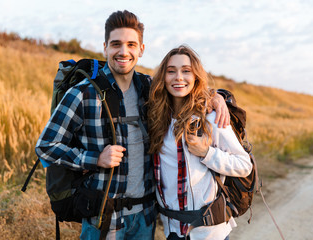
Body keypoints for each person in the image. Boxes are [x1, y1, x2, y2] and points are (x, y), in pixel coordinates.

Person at [35, 11, 229, 240]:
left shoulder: (150, 88)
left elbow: (186, 89)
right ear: (105, 47)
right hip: (103, 219)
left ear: (141, 49)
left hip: (145, 218)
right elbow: (45, 146)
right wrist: (95, 158)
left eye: (131, 44)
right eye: (116, 44)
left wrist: (217, 97)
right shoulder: (82, 93)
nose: (123, 52)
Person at [148, 45, 253, 240]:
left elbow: (244, 165)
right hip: (173, 231)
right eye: (171, 71)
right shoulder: (157, 118)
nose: (178, 77)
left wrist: (207, 153)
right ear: (163, 77)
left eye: (186, 71)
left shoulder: (211, 117)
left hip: (209, 232)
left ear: (196, 77)